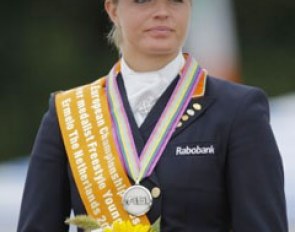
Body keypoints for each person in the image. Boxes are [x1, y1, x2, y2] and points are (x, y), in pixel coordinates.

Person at [17, 0, 288, 231]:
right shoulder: (69, 113)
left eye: (176, 0)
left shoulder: (238, 110)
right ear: (112, 9)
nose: (162, 11)